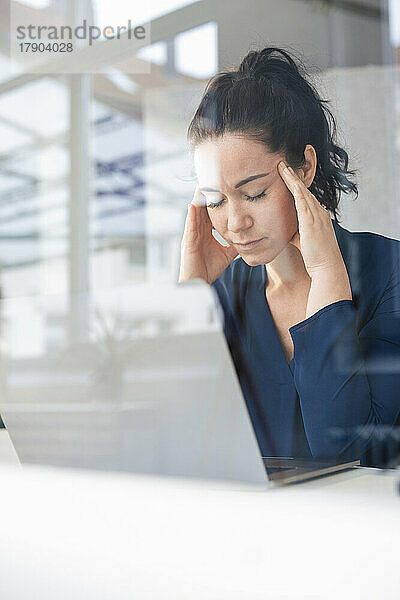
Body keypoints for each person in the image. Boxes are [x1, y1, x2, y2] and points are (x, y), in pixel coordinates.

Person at [179, 46, 400, 467]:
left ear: (305, 169)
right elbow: (186, 450)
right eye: (215, 200)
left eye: (254, 193)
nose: (235, 221)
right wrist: (192, 298)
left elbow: (349, 457)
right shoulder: (223, 292)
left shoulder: (391, 272)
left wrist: (326, 277)